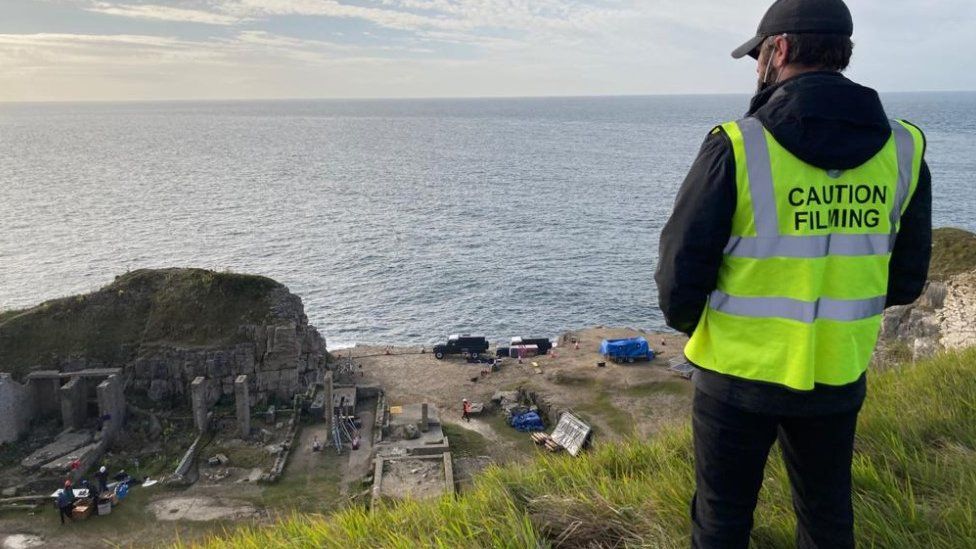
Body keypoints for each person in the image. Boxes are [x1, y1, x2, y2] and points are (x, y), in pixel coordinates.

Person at [655, 1, 931, 547]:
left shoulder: (737, 145)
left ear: (778, 50)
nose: (757, 66)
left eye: (758, 55)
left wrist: (714, 329)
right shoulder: (905, 148)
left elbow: (678, 279)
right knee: (827, 518)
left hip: (734, 376)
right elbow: (906, 281)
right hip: (836, 373)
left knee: (722, 522)